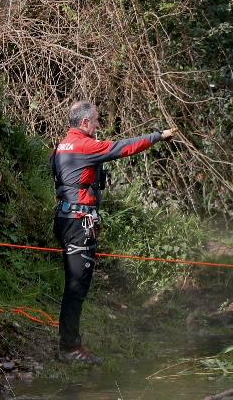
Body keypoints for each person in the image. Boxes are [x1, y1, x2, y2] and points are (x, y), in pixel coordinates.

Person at [51, 101, 176, 363]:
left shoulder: (62, 145)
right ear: (84, 123)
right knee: (76, 286)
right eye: (96, 121)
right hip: (77, 222)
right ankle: (69, 348)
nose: (98, 126)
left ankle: (69, 343)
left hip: (65, 219)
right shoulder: (85, 146)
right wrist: (157, 136)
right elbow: (123, 147)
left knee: (76, 285)